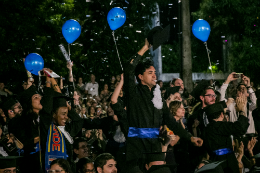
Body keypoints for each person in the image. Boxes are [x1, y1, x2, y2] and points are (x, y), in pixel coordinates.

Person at [123, 38, 203, 172]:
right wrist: (145, 48)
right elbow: (128, 68)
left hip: (155, 147)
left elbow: (171, 121)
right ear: (140, 77)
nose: (155, 76)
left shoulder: (157, 96)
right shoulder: (133, 92)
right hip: (136, 148)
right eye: (150, 73)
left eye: (155, 73)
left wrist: (190, 137)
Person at [204, 99, 249, 173]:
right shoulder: (220, 126)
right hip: (227, 162)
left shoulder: (206, 129)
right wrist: (241, 111)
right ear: (222, 114)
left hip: (214, 162)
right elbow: (240, 128)